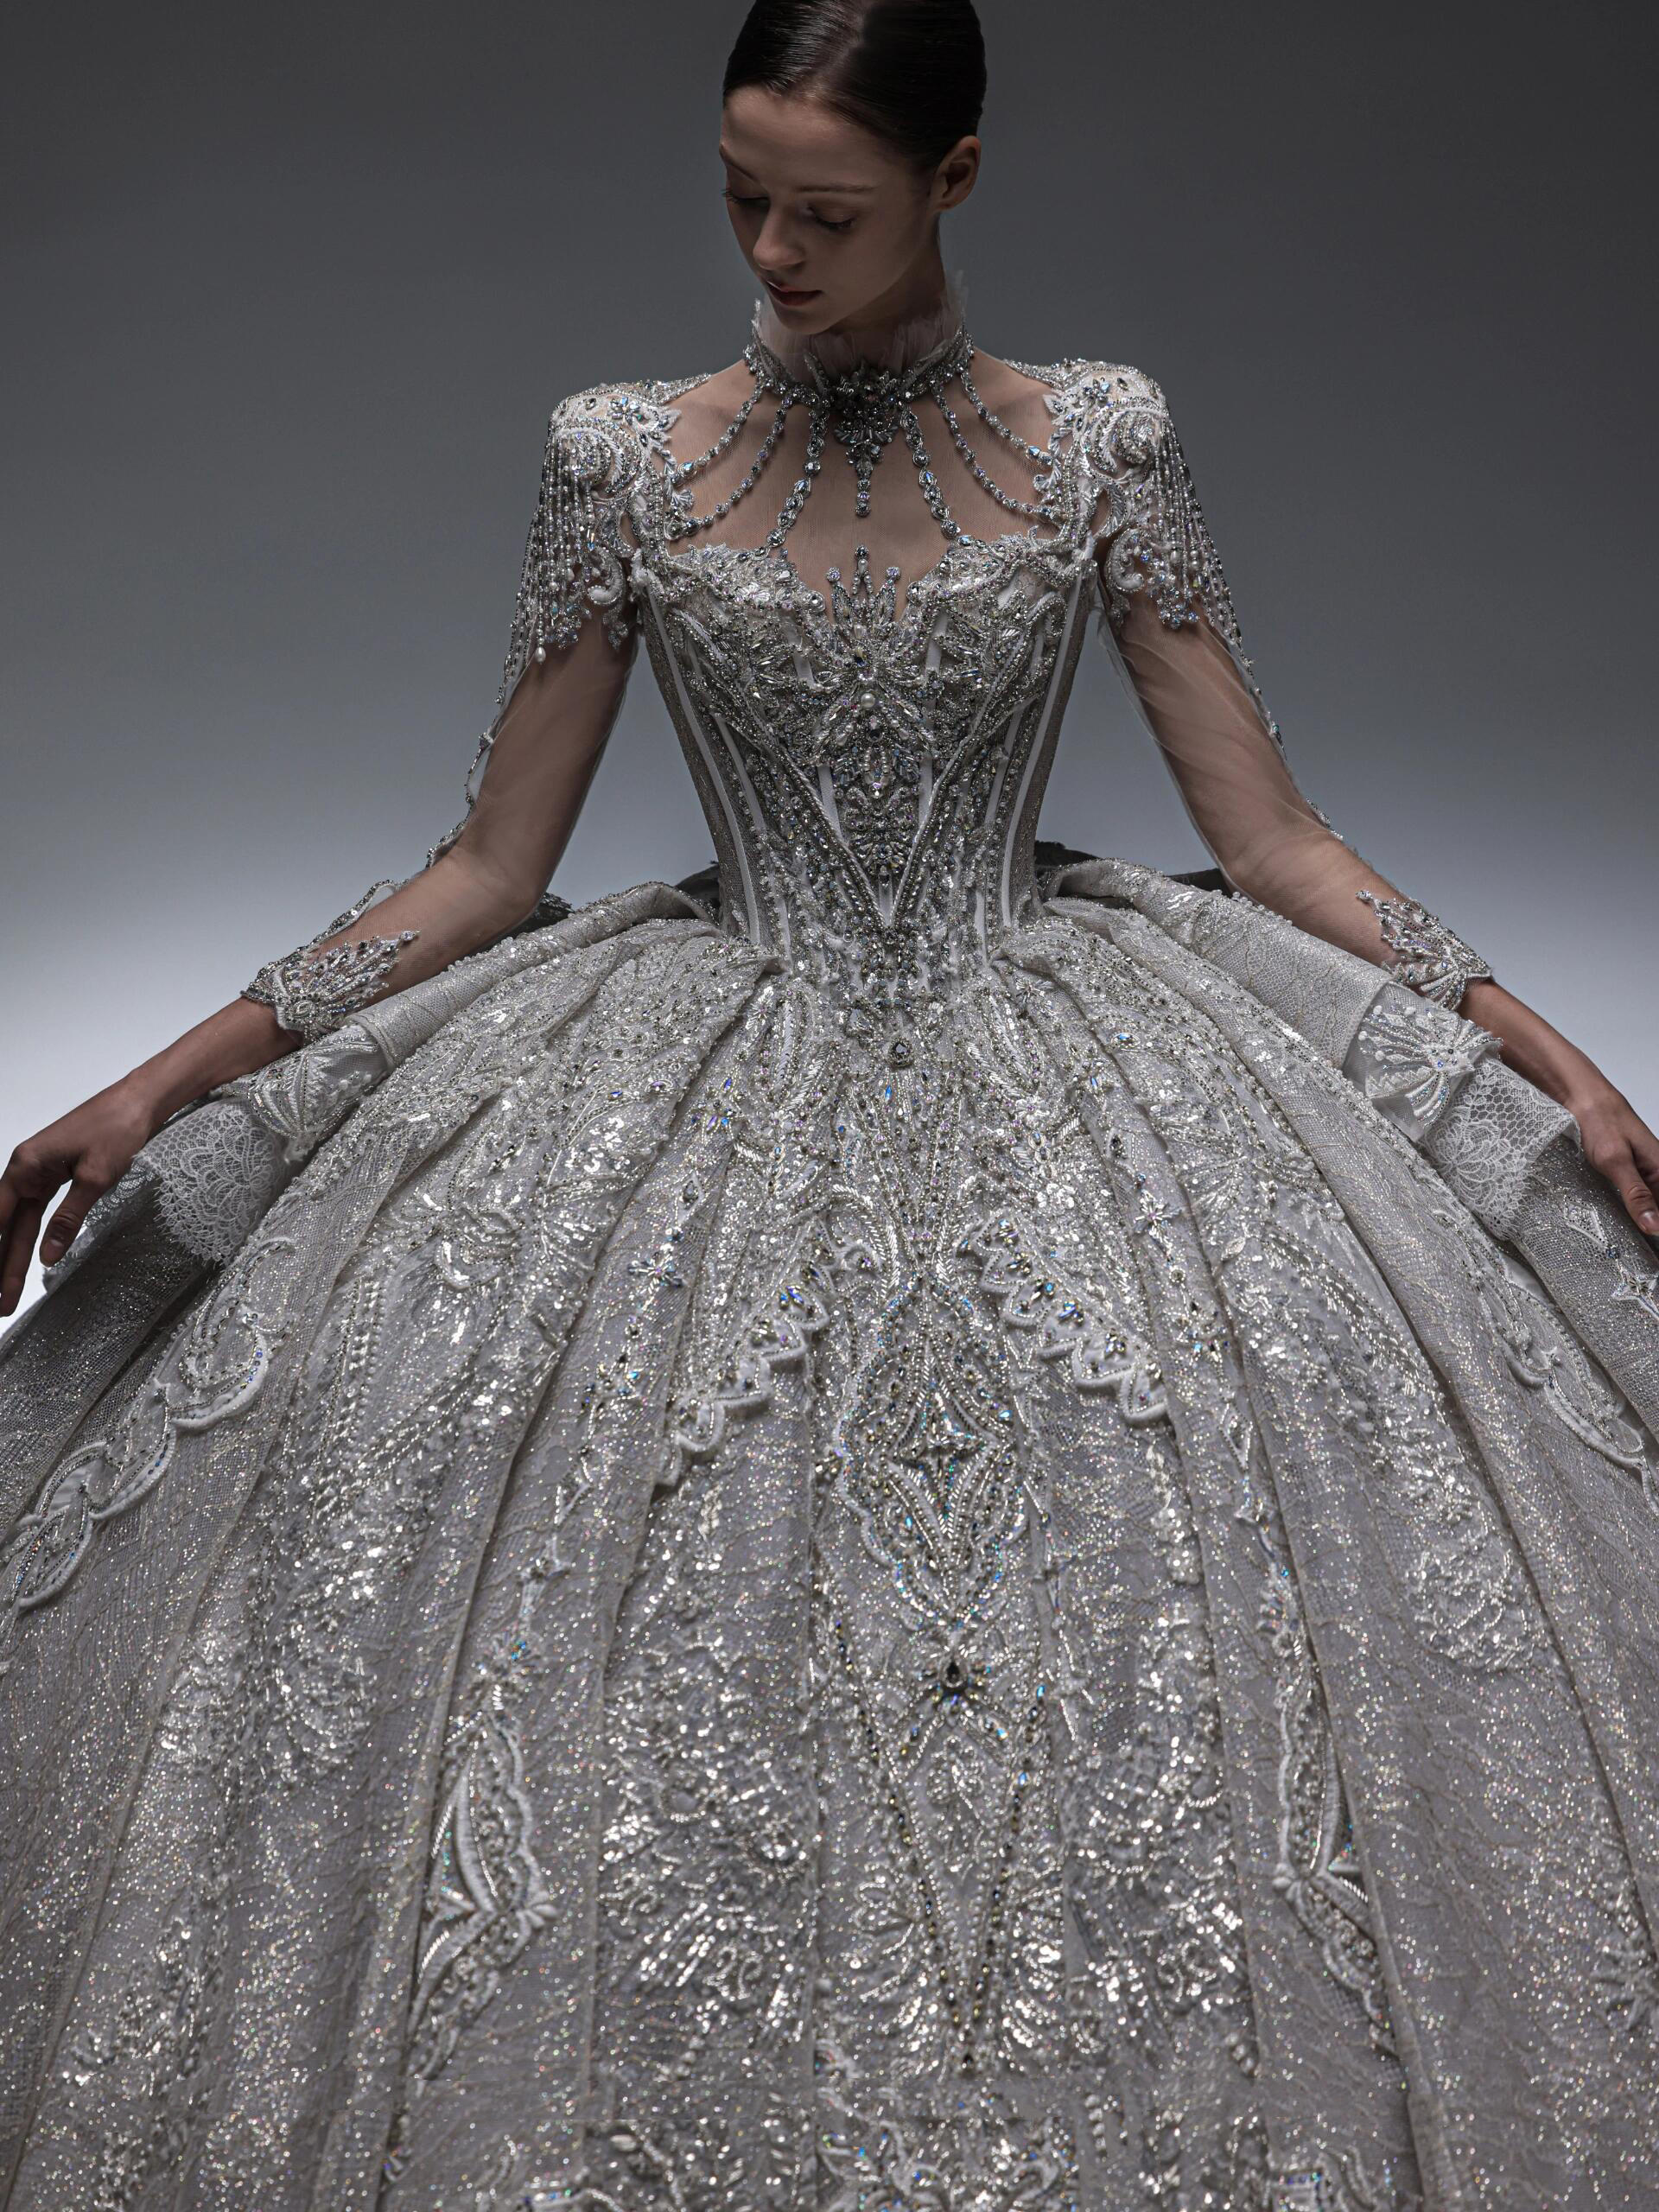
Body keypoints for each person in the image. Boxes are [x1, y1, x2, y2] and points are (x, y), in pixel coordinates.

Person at [2, 0, 1656, 2204]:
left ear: (955, 179)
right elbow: (489, 866)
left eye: (827, 211)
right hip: (714, 1034)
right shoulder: (621, 457)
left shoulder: (1101, 437)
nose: (773, 252)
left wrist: (1545, 1044)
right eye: (740, 199)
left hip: (1063, 1044)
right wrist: (162, 1076)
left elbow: (1266, 837)